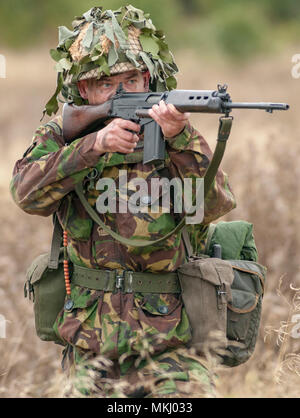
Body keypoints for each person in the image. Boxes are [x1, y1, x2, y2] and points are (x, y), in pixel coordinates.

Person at [10, 5, 236, 398]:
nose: (122, 92)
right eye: (106, 84)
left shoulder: (173, 131)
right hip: (89, 341)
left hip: (172, 341)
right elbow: (26, 195)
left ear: (147, 77)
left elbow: (214, 204)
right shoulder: (64, 136)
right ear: (84, 91)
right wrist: (93, 146)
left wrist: (178, 138)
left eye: (132, 79)